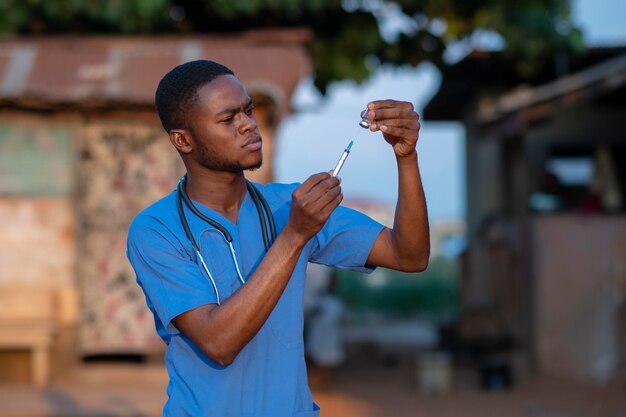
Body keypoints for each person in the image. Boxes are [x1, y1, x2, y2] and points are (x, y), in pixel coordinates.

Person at [127, 59, 429, 417]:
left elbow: (409, 255)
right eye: (228, 119)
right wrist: (295, 235)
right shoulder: (156, 230)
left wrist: (406, 157)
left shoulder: (288, 205)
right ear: (183, 140)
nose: (248, 125)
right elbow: (219, 343)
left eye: (248, 110)